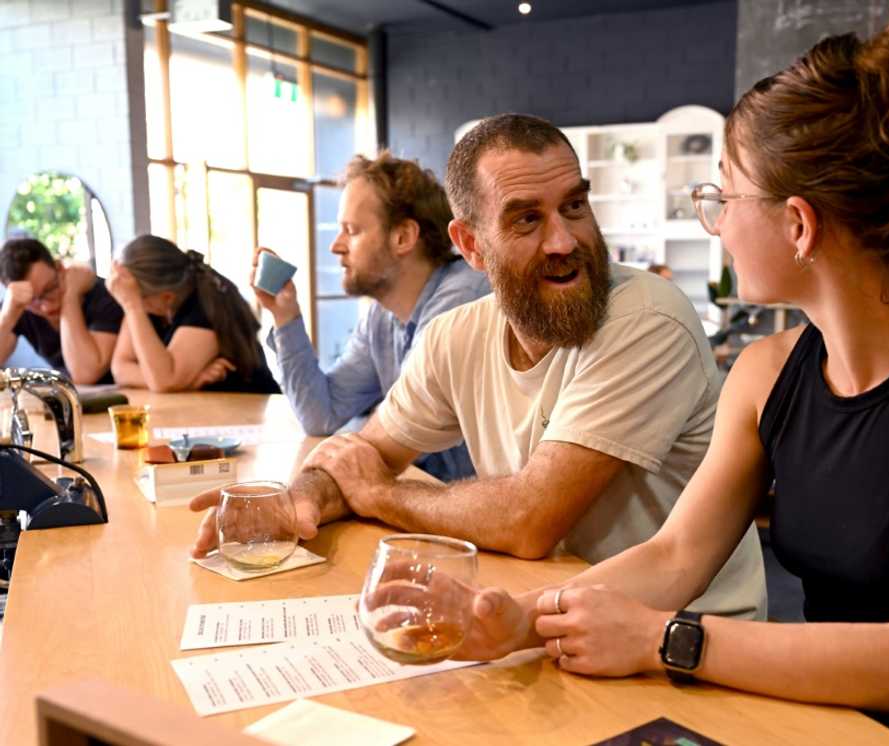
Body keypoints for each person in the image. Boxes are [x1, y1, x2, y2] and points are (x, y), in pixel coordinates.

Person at [443, 3, 889, 744]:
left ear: (799, 225)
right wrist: (525, 619)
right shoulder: (766, 371)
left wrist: (664, 640)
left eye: (724, 195)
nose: (713, 220)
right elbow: (675, 554)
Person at [190, 113, 767, 619]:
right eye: (526, 219)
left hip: (681, 637)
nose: (564, 240)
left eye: (574, 205)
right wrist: (301, 500)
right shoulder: (456, 335)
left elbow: (530, 520)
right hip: (538, 609)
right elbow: (364, 455)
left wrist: (380, 495)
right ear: (469, 244)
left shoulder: (646, 319)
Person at [257, 152, 489, 481]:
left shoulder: (463, 299)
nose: (336, 246)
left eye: (351, 231)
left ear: (403, 237)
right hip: (425, 498)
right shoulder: (382, 316)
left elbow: (403, 426)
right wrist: (285, 315)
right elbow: (322, 414)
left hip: (474, 517)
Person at [108, 235, 280, 394]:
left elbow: (164, 381)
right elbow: (120, 368)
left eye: (132, 298)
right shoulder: (149, 304)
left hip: (251, 412)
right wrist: (188, 382)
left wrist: (132, 306)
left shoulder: (205, 305)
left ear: (167, 297)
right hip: (207, 411)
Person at [0, 238, 122, 384]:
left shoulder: (103, 295)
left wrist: (71, 296)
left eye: (50, 289)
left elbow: (85, 374)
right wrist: (8, 315)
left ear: (59, 268)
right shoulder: (18, 306)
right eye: (32, 300)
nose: (46, 307)